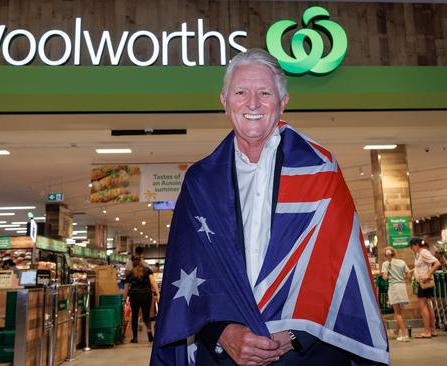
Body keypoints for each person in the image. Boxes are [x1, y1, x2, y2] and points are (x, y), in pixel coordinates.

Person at [151, 48, 388, 366]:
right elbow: (188, 279)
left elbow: (340, 271)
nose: (252, 103)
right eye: (240, 92)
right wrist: (223, 333)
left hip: (304, 355)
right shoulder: (200, 181)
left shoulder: (320, 169)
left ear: (283, 100)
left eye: (264, 92)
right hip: (223, 357)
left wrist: (294, 334)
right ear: (224, 100)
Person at [124, 256, 160, 344]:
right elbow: (152, 282)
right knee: (146, 315)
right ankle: (149, 331)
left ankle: (135, 338)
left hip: (134, 295)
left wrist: (124, 299)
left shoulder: (130, 274)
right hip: (146, 295)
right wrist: (158, 293)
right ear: (141, 262)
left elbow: (126, 287)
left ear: (132, 263)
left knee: (135, 315)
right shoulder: (147, 270)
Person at [410, 237, 440, 338]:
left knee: (423, 307)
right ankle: (432, 330)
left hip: (424, 283)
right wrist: (412, 271)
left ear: (416, 245)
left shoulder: (423, 252)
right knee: (428, 305)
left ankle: (427, 331)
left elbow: (437, 263)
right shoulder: (419, 254)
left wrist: (428, 274)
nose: (411, 249)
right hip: (423, 282)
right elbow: (421, 266)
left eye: (412, 247)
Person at [381, 247, 411, 342]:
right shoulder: (402, 262)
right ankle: (396, 332)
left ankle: (404, 335)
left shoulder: (386, 264)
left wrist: (391, 276)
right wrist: (400, 276)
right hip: (402, 287)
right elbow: (408, 275)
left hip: (394, 288)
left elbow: (385, 278)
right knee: (399, 312)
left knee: (397, 313)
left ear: (386, 254)